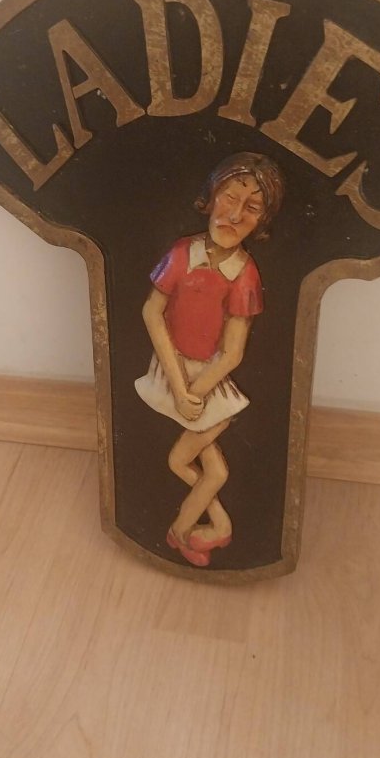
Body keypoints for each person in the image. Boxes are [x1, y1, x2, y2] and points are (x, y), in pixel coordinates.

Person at [135, 152, 285, 567]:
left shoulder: (245, 274)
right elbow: (152, 313)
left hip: (210, 382)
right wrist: (178, 387)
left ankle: (185, 530)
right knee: (210, 470)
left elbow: (233, 352)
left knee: (181, 460)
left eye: (251, 208)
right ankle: (214, 528)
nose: (235, 215)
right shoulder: (182, 253)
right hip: (173, 370)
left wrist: (196, 393)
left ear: (262, 221)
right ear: (212, 196)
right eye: (229, 198)